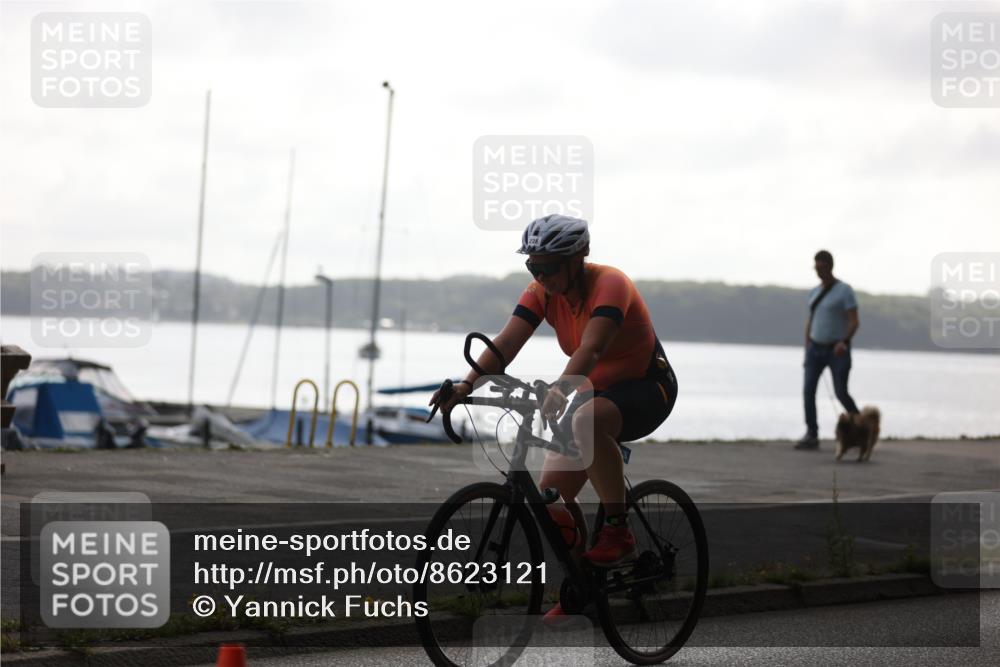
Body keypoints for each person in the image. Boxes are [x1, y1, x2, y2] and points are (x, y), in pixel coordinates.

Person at [431, 214, 678, 621]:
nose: (540, 275)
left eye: (548, 266)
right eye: (533, 266)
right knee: (549, 503)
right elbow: (506, 343)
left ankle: (619, 529)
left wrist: (561, 387)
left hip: (648, 388)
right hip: (594, 394)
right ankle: (582, 589)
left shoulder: (611, 284)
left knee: (587, 421)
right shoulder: (542, 293)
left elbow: (593, 348)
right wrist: (466, 385)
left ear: (578, 257)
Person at [796, 250, 861, 450]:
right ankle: (812, 434)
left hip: (837, 350)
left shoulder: (844, 290)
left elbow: (854, 321)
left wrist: (844, 341)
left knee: (841, 392)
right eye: (816, 267)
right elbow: (811, 320)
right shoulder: (814, 292)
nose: (818, 271)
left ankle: (860, 428)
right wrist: (807, 347)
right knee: (808, 391)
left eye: (822, 267)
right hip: (815, 349)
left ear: (830, 266)